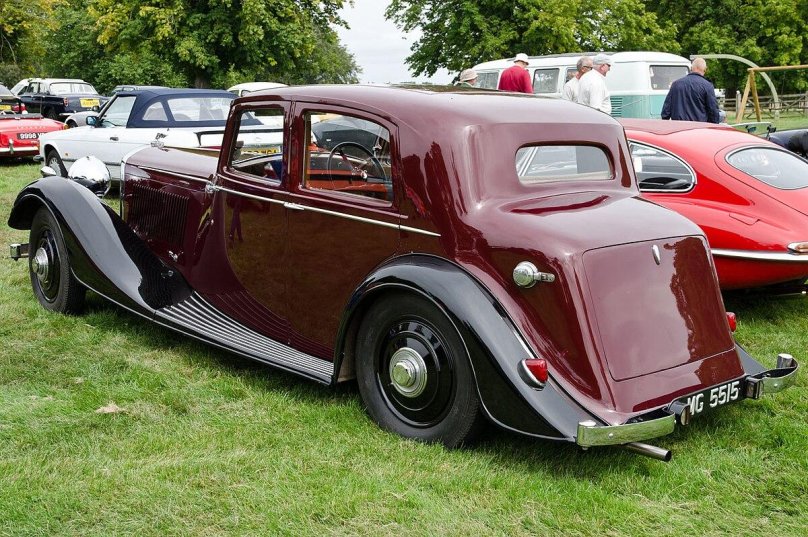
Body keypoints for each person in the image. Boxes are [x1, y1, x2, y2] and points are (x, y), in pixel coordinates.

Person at [661, 58, 720, 123]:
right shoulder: (707, 86)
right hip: (698, 127)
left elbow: (665, 112)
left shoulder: (675, 84)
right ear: (705, 69)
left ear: (691, 68)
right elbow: (713, 112)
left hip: (678, 127)